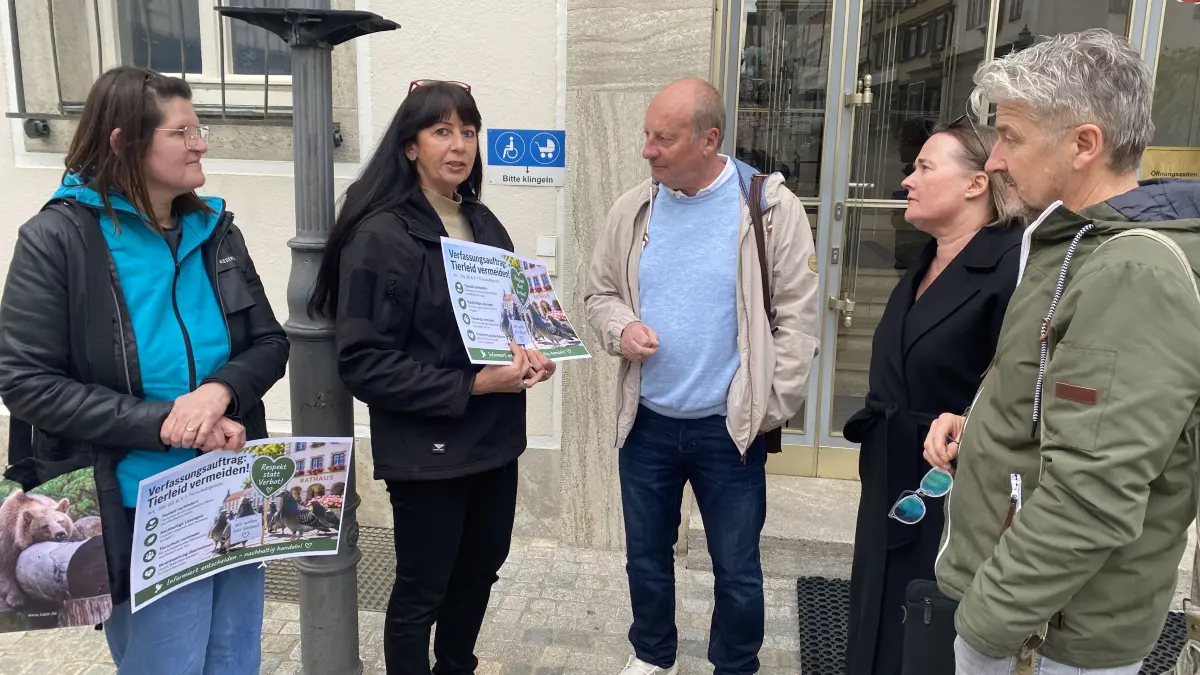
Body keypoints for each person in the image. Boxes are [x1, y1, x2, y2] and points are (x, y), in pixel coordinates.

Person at [922, 28, 1200, 675]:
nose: (994, 160)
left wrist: (984, 624)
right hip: (1034, 619)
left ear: (1085, 144)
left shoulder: (1133, 270)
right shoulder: (1074, 242)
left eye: (1012, 137)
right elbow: (1077, 409)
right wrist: (990, 423)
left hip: (1051, 637)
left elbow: (1095, 492)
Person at [0, 66, 289, 674]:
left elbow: (267, 342)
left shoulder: (216, 231)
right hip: (133, 503)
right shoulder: (58, 239)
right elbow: (25, 381)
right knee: (167, 662)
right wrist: (168, 422)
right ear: (121, 141)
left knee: (236, 658)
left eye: (198, 128)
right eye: (181, 132)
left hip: (233, 485)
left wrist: (218, 392)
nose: (200, 144)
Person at [308, 79, 556, 675]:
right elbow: (364, 362)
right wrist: (471, 385)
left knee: (480, 572)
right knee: (423, 591)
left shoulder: (483, 220)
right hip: (428, 449)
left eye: (468, 132)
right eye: (442, 131)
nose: (459, 145)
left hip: (494, 440)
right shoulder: (379, 234)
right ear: (410, 145)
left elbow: (507, 321)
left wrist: (532, 351)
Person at [584, 78, 820, 675]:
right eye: (646, 134)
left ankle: (736, 664)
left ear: (709, 139)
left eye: (662, 138)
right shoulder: (634, 206)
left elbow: (798, 318)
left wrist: (768, 406)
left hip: (729, 428)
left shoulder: (768, 208)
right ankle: (652, 655)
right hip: (648, 423)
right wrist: (621, 330)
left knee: (737, 567)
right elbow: (600, 293)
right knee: (645, 556)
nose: (648, 149)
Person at [842, 118, 1022, 675]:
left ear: (976, 184)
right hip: (892, 475)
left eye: (923, 167)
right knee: (876, 610)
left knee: (924, 624)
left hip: (954, 493)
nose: (906, 182)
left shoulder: (1014, 266)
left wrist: (968, 424)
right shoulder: (924, 260)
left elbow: (1021, 389)